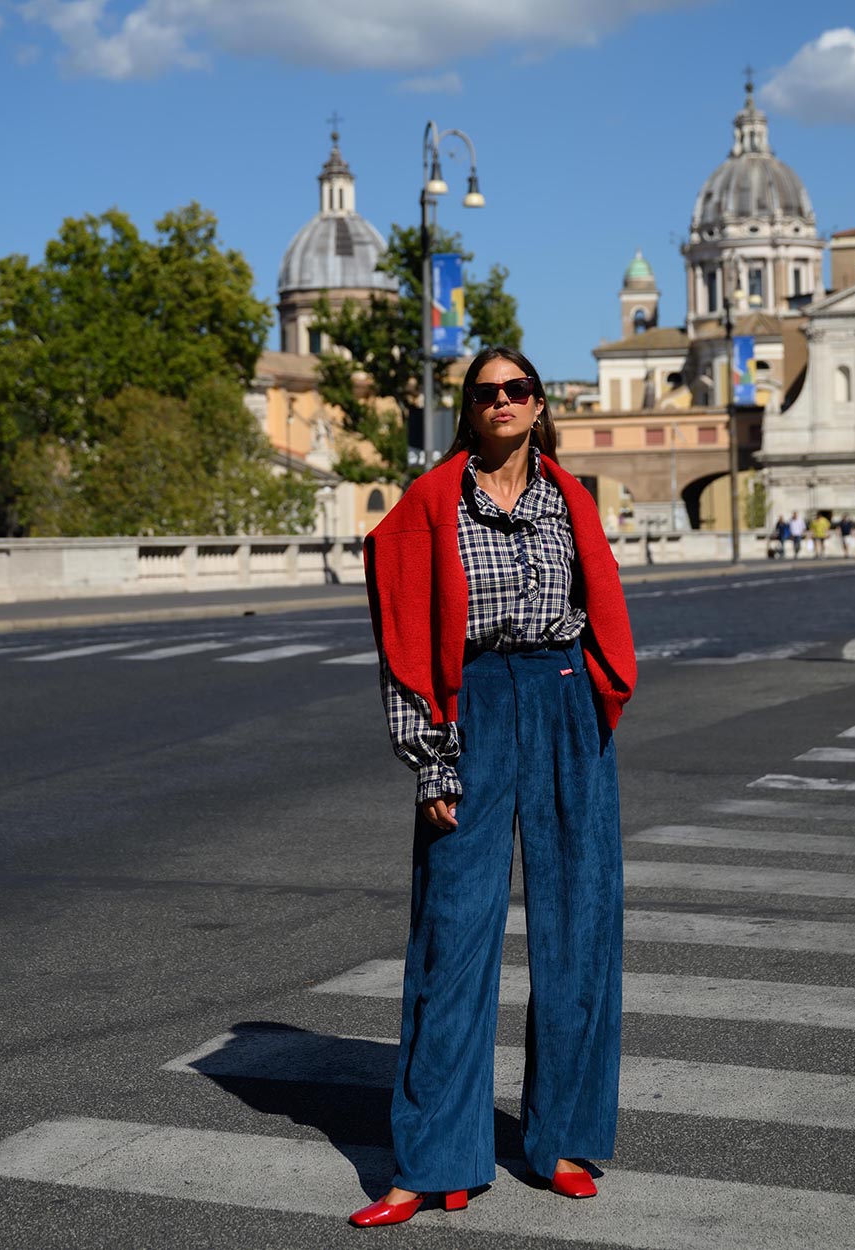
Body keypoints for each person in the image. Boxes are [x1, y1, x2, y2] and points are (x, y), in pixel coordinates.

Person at [354, 347, 636, 1228]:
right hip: (471, 705)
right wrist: (432, 760)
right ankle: (432, 1161)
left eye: (517, 390)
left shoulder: (569, 497)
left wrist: (592, 697)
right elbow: (404, 636)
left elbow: (601, 607)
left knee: (580, 926)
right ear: (468, 410)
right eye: (485, 393)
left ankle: (560, 1141)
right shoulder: (433, 501)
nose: (502, 402)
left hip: (561, 702)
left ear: (539, 403)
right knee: (451, 937)